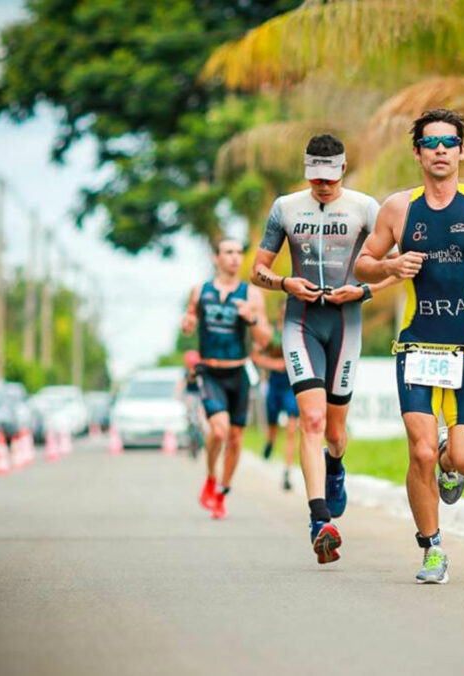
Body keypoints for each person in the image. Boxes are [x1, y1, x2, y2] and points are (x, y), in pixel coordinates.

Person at [354, 109, 464, 584]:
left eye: (448, 142)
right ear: (416, 152)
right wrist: (391, 266)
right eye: (430, 142)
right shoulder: (398, 208)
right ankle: (432, 549)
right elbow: (363, 264)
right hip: (417, 347)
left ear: (461, 151)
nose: (440, 150)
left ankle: (450, 466)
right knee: (420, 453)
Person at [251, 134, 398, 564]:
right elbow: (259, 268)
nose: (323, 186)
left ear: (343, 170)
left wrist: (364, 292)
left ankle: (336, 466)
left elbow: (400, 264)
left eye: (329, 179)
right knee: (310, 419)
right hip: (300, 322)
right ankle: (320, 521)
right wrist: (283, 283)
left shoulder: (366, 208)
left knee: (335, 433)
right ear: (306, 171)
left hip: (345, 323)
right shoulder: (285, 208)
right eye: (315, 178)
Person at [181, 238, 271, 520]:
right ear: (216, 258)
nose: (234, 258)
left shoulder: (252, 295)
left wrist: (251, 320)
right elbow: (188, 323)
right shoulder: (200, 291)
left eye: (238, 253)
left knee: (234, 437)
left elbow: (265, 339)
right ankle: (210, 476)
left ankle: (222, 491)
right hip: (209, 371)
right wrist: (187, 324)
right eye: (228, 252)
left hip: (238, 372)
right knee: (218, 431)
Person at [251, 301, 300, 491]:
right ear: (280, 314)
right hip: (275, 384)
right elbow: (255, 356)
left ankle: (287, 471)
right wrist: (276, 364)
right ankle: (269, 443)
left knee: (291, 428)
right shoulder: (270, 334)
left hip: (292, 385)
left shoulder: (300, 333)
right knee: (272, 428)